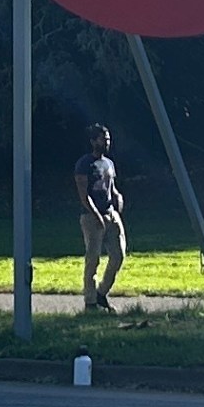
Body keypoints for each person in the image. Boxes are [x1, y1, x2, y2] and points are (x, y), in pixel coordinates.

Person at [73, 125, 127, 314]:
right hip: (91, 217)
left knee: (118, 256)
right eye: (103, 139)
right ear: (93, 141)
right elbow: (83, 195)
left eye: (108, 138)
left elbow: (111, 188)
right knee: (93, 259)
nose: (107, 142)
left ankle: (101, 292)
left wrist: (118, 198)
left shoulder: (109, 164)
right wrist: (96, 215)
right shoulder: (84, 164)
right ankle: (90, 302)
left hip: (111, 214)